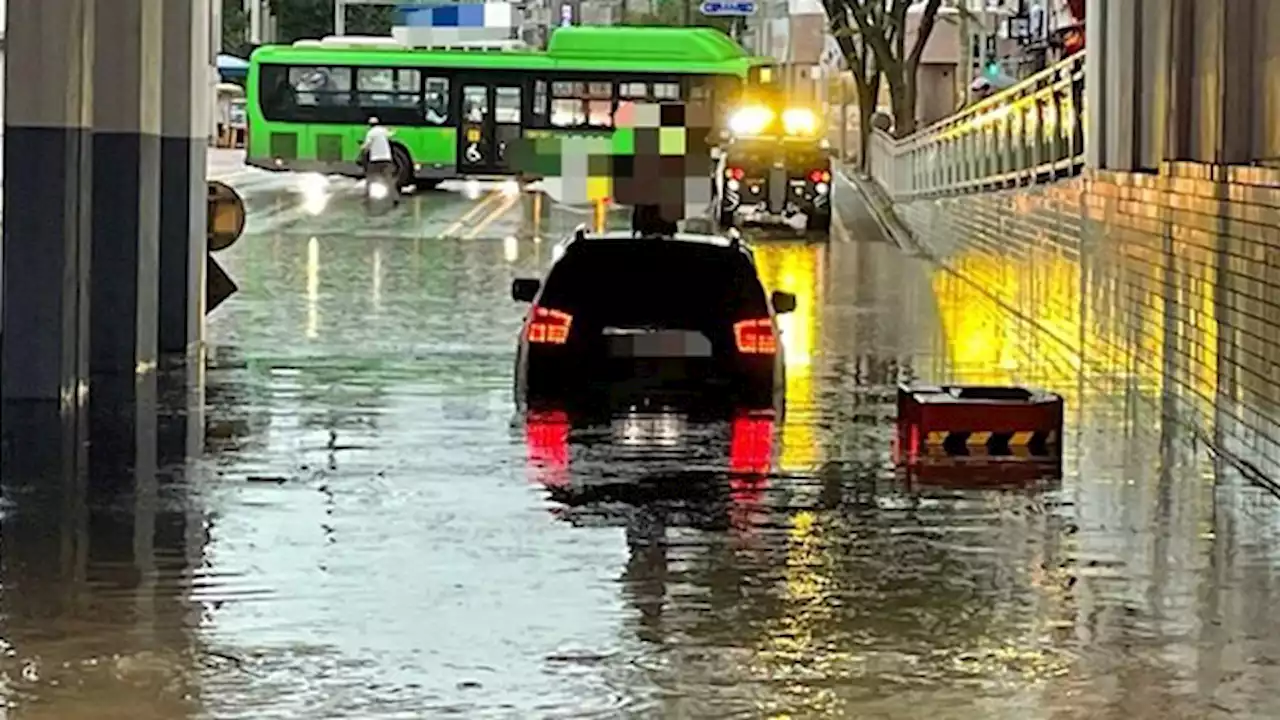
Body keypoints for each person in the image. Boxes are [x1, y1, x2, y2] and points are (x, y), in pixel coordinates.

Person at [361, 117, 397, 192]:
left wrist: (362, 147)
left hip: (375, 160)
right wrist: (394, 130)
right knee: (389, 179)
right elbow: (391, 134)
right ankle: (394, 197)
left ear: (370, 124)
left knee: (370, 178)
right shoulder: (383, 130)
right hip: (387, 159)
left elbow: (367, 144)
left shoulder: (370, 132)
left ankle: (367, 197)